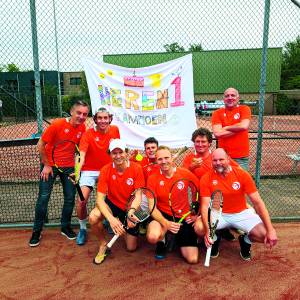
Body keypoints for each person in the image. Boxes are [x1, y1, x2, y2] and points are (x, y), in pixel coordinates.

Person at [195, 148, 278, 261]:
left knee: (265, 234)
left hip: (241, 213)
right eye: (214, 160)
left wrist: (271, 229)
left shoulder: (242, 175)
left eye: (221, 159)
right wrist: (209, 231)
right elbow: (205, 206)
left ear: (228, 159)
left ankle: (245, 240)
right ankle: (214, 238)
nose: (218, 163)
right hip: (217, 214)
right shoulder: (206, 178)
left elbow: (258, 203)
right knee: (199, 228)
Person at [29, 100, 90, 247]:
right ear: (71, 112)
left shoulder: (82, 127)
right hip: (50, 166)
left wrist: (77, 170)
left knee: (69, 198)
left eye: (85, 114)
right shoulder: (57, 124)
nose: (81, 116)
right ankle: (37, 231)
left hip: (69, 168)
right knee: (43, 198)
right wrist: (47, 165)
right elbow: (40, 145)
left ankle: (65, 226)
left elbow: (80, 150)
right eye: (79, 113)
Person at [89, 139, 145, 264]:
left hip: (130, 207)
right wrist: (111, 219)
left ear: (126, 153)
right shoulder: (105, 170)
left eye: (121, 152)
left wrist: (131, 213)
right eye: (114, 153)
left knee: (131, 248)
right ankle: (103, 244)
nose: (118, 156)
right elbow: (99, 199)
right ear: (110, 154)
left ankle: (125, 226)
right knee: (93, 217)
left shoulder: (136, 168)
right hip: (112, 204)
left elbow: (138, 195)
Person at [182, 127, 239, 242]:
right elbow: (181, 178)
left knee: (248, 211)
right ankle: (215, 233)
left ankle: (224, 228)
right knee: (199, 229)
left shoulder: (217, 157)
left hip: (221, 199)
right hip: (200, 200)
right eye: (197, 142)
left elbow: (238, 171)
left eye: (203, 142)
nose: (200, 144)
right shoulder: (189, 158)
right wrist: (191, 167)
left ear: (209, 143)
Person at [146, 146, 200, 264]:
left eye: (166, 158)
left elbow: (198, 191)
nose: (164, 161)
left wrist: (196, 212)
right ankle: (163, 240)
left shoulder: (185, 173)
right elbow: (152, 207)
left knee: (193, 259)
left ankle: (177, 237)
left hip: (184, 217)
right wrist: (166, 223)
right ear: (156, 161)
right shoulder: (152, 178)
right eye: (160, 159)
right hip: (163, 216)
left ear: (172, 158)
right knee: (153, 236)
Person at [75, 107, 120, 246]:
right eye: (99, 118)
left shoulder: (115, 130)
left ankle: (109, 220)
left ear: (110, 119)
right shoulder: (88, 134)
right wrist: (77, 172)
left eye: (105, 118)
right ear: (95, 119)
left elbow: (117, 150)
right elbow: (81, 155)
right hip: (89, 171)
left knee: (113, 199)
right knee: (81, 201)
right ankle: (82, 228)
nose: (102, 121)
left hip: (108, 170)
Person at [212, 87, 251, 170]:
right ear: (224, 99)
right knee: (223, 180)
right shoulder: (217, 113)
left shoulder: (244, 109)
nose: (230, 98)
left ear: (238, 98)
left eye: (233, 95)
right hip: (223, 157)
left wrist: (226, 128)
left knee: (240, 181)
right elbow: (218, 133)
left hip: (241, 157)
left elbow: (244, 126)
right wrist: (239, 129)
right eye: (227, 96)